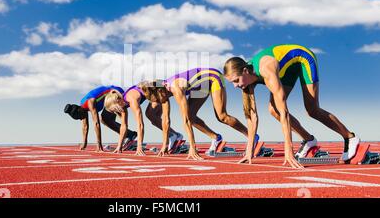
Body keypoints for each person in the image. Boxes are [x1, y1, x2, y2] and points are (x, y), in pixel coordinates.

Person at [223, 44, 360, 169]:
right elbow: (251, 116)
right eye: (232, 83)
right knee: (273, 110)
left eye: (236, 81)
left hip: (302, 59)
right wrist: (249, 151)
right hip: (286, 70)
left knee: (312, 110)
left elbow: (284, 112)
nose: (235, 86)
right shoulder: (246, 82)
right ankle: (309, 140)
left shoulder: (266, 69)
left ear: (245, 70)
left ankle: (350, 137)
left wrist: (289, 151)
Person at [140, 68, 251, 160]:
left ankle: (251, 136)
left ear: (160, 92)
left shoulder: (175, 88)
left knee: (221, 116)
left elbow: (185, 120)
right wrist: (164, 145)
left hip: (212, 78)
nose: (160, 103)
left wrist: (192, 147)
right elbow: (166, 120)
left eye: (158, 100)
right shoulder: (162, 91)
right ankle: (216, 137)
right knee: (192, 116)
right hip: (199, 87)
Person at [104, 84, 183, 156]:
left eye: (114, 109)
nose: (115, 111)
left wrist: (139, 147)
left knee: (150, 114)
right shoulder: (123, 104)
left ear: (117, 101)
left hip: (159, 87)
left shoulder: (131, 99)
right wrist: (119, 146)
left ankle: (173, 135)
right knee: (151, 115)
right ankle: (174, 135)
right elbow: (123, 126)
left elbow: (140, 124)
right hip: (151, 92)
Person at [64, 85, 137, 152]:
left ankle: (129, 136)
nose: (82, 119)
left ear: (80, 110)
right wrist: (84, 143)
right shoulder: (82, 108)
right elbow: (85, 126)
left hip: (115, 93)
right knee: (105, 119)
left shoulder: (89, 102)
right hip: (109, 98)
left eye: (80, 117)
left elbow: (96, 123)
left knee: (105, 119)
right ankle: (130, 135)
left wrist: (99, 144)